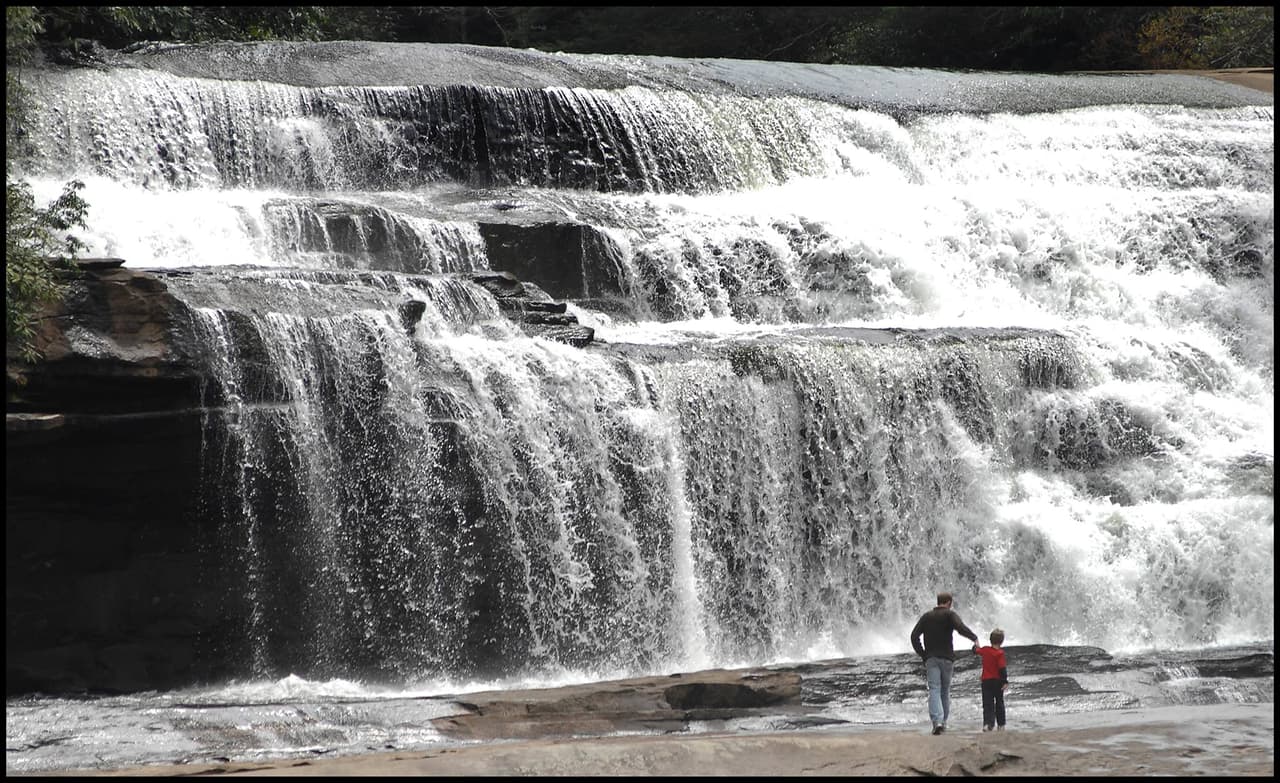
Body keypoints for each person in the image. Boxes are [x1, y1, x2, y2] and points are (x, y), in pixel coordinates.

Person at [909, 591, 979, 735]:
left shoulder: (926, 617)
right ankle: (944, 722)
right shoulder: (949, 614)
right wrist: (974, 637)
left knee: (934, 688)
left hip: (931, 658)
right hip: (947, 658)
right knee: (945, 690)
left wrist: (923, 654)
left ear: (938, 602)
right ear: (949, 603)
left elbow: (914, 636)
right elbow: (960, 628)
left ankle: (937, 722)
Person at [972, 628, 1009, 731]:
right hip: (997, 682)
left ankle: (988, 724)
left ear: (990, 640)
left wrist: (976, 644)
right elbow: (1002, 669)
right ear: (1001, 641)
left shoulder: (985, 650)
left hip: (986, 682)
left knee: (987, 704)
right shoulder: (1000, 653)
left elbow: (975, 650)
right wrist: (1005, 681)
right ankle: (1001, 725)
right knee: (999, 703)